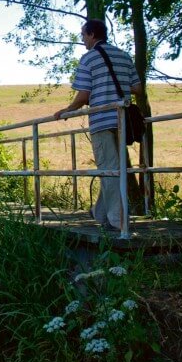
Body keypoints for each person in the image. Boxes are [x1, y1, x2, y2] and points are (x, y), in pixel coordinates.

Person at [53, 19, 144, 230]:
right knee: (114, 168)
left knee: (109, 169)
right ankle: (100, 212)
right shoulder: (123, 55)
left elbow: (84, 95)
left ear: (92, 34)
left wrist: (67, 110)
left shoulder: (89, 58)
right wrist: (117, 87)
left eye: (83, 35)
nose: (82, 39)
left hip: (102, 120)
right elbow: (138, 88)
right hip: (123, 120)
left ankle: (117, 221)